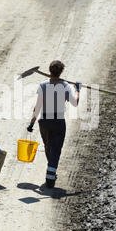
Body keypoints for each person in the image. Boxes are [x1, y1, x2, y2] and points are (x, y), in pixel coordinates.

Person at [27, 60, 81, 188]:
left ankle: (51, 169)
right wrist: (78, 90)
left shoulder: (43, 85)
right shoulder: (66, 86)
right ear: (61, 71)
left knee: (48, 147)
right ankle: (50, 176)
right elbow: (75, 103)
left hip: (44, 122)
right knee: (56, 149)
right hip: (58, 122)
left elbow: (37, 107)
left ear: (50, 70)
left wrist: (32, 123)